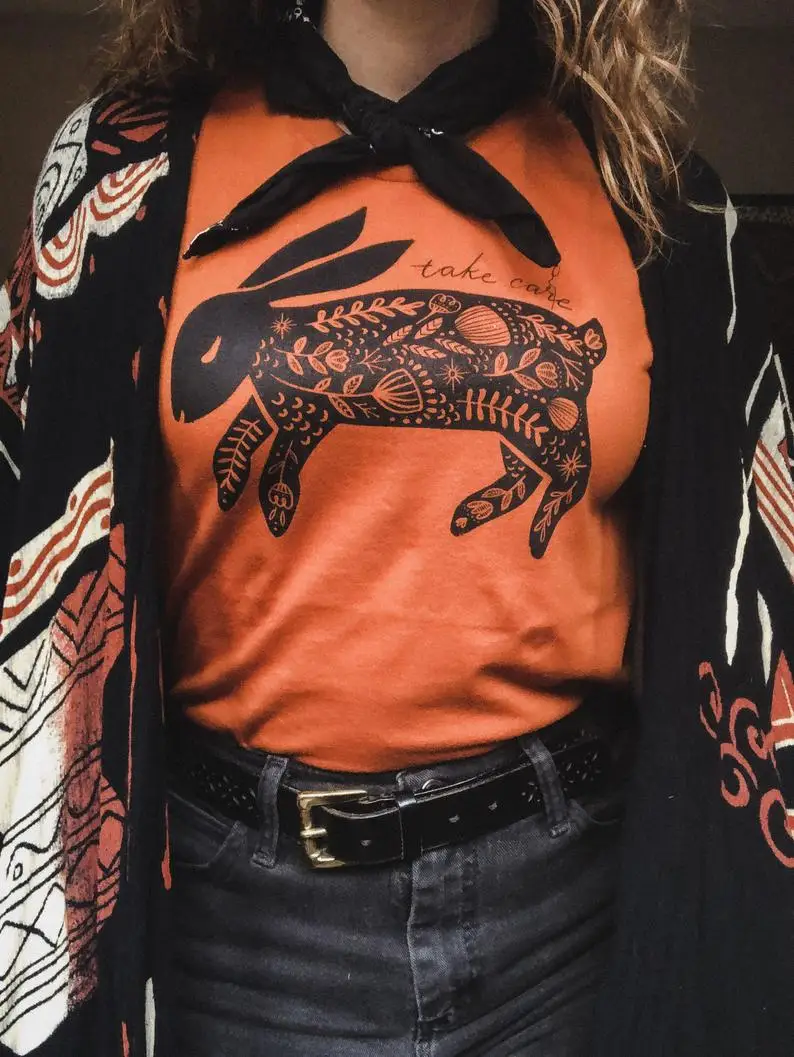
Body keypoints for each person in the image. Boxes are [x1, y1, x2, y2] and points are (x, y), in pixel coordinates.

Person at [0, 1, 792, 1055]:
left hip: (566, 915)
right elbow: (39, 537)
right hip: (235, 929)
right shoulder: (119, 179)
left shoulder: (655, 198)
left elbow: (740, 579)